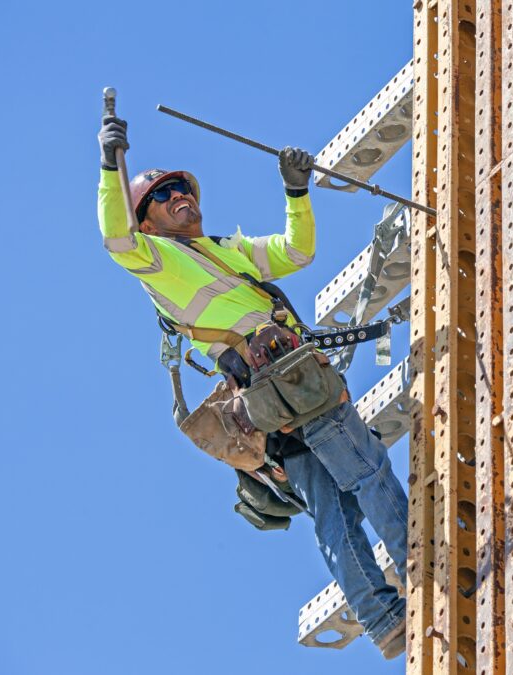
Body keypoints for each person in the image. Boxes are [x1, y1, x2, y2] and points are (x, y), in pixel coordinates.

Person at [96, 113, 408, 659]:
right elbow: (116, 239)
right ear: (145, 222)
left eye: (181, 188)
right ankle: (423, 565)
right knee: (366, 469)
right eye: (163, 195)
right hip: (287, 384)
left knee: (335, 513)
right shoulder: (157, 260)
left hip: (276, 400)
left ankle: (385, 620)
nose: (178, 196)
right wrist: (110, 165)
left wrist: (296, 192)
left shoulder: (225, 249)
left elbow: (296, 253)